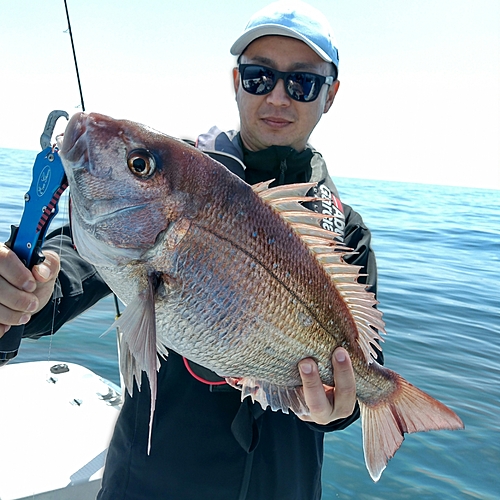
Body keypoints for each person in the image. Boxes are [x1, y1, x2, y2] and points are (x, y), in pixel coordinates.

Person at [0, 2, 381, 499]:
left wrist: (340, 409)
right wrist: (21, 294)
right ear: (236, 80)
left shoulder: (345, 230)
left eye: (303, 83)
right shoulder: (175, 180)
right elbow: (64, 272)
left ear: (330, 94)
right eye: (259, 76)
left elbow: (357, 380)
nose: (279, 97)